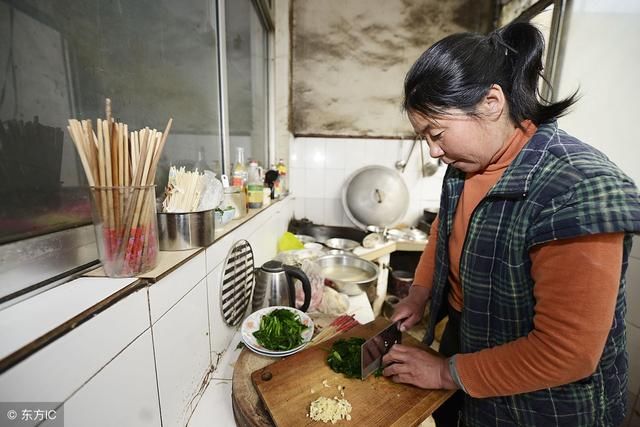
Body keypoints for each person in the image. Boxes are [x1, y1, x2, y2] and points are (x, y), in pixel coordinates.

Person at [381, 21, 640, 426]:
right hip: (469, 340)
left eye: (437, 133)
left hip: (548, 404)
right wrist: (419, 294)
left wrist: (444, 372)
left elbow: (567, 353)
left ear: (491, 101)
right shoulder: (466, 165)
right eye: (424, 137)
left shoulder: (576, 188)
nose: (433, 151)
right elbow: (443, 230)